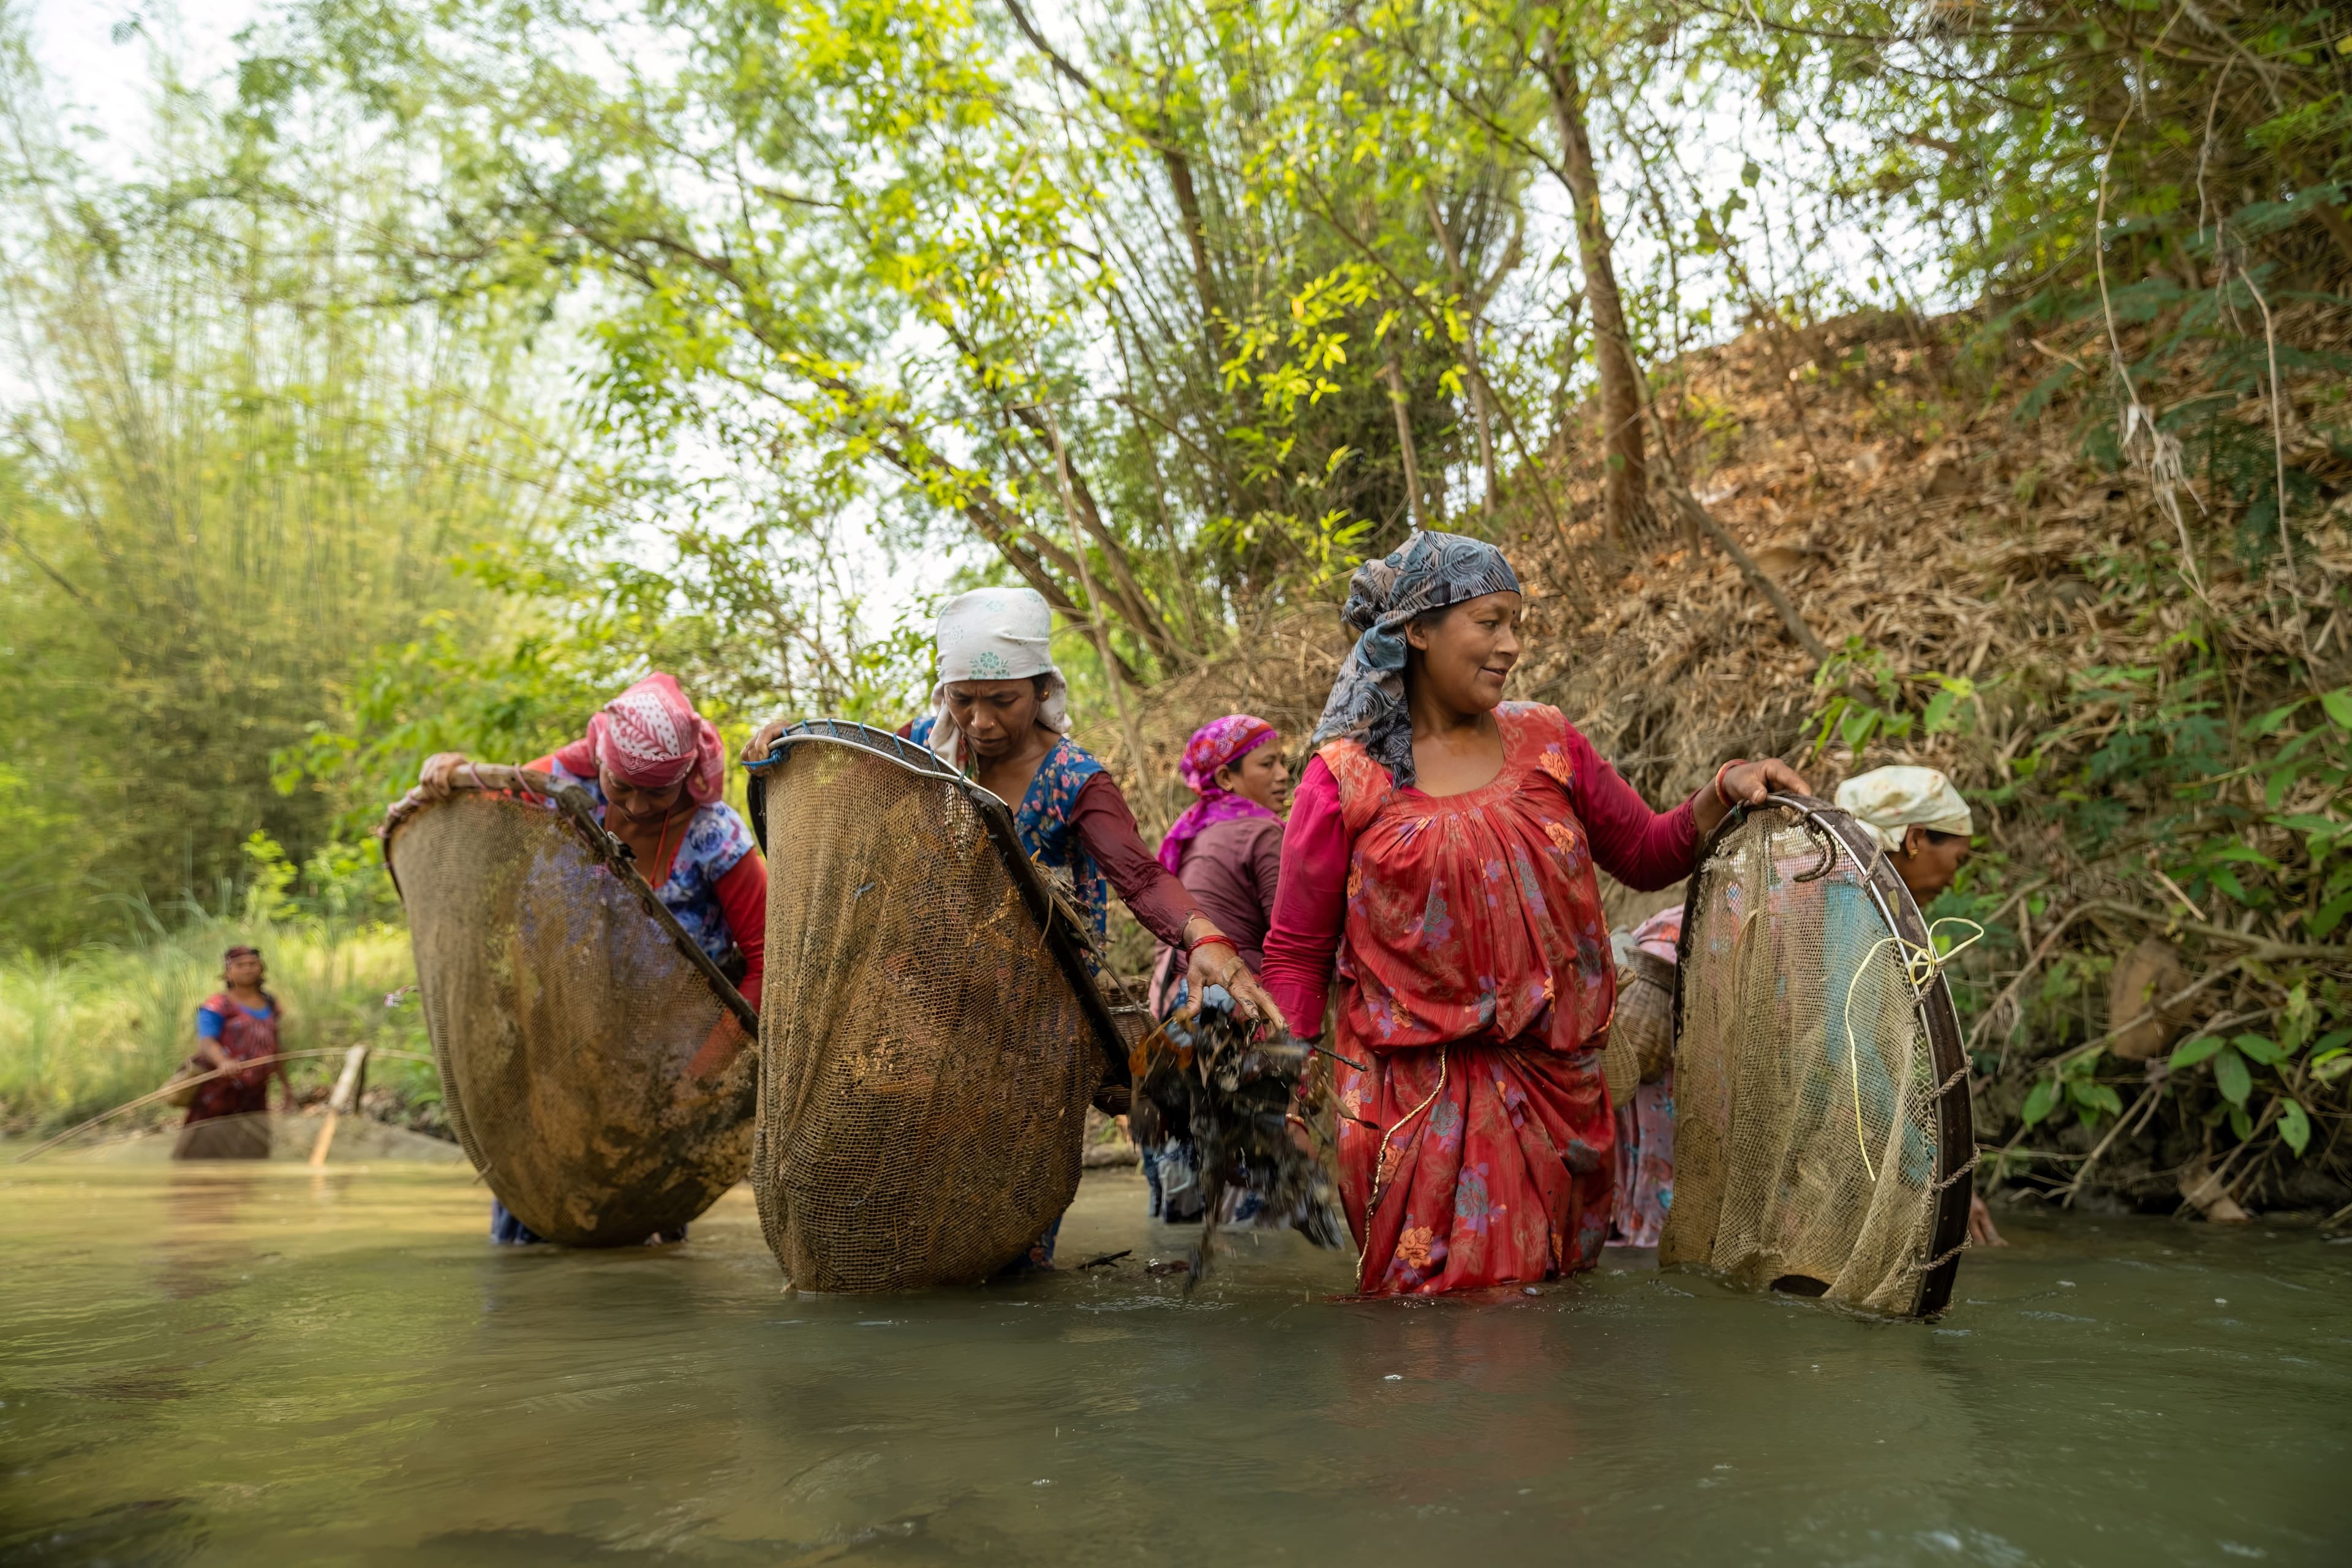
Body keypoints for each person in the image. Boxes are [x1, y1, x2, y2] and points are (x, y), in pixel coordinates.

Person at [1259, 531, 1807, 1296]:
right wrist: (1280, 1087)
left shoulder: (1548, 741)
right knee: (1444, 1344)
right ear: (1417, 630)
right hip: (1414, 1110)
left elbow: (1647, 852)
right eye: (1489, 622)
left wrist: (1723, 788)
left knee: (1547, 1328)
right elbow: (1296, 951)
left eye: (1516, 622)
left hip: (1560, 1097)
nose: (1510, 644)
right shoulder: (1344, 779)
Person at [745, 587, 1281, 1264]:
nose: (981, 720)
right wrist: (782, 745)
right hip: (928, 1015)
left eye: (1003, 700)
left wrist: (1205, 939)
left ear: (1041, 688)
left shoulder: (1075, 779)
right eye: (963, 699)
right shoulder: (919, 755)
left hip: (1032, 1031)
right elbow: (848, 819)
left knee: (1008, 1227)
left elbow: (1141, 878)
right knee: (904, 1202)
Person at [419, 671, 766, 1245]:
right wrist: (452, 769)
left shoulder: (714, 836)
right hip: (555, 1045)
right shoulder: (555, 788)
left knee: (646, 1224)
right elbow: (476, 820)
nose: (633, 805)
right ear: (600, 762)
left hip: (667, 1063)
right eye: (619, 785)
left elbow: (763, 961)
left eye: (656, 792)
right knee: (531, 1221)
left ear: (685, 778)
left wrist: (700, 1074)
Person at [1836, 763, 2004, 1246]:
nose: (1956, 878)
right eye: (1959, 858)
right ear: (1912, 839)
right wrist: (1932, 1171)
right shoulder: (1849, 897)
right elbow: (1842, 1048)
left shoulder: (1846, 880)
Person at [1138, 714, 1289, 1220]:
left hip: (1166, 1022)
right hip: (1225, 1015)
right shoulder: (1265, 833)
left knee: (1182, 1208)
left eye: (1285, 762)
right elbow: (1291, 938)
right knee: (1252, 1198)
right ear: (1226, 778)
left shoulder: (1191, 837)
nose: (1284, 774)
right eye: (1268, 763)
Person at [176, 944, 295, 1159]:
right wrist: (224, 1061)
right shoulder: (217, 1005)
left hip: (256, 1092)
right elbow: (207, 1041)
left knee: (253, 1152)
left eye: (253, 964)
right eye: (241, 965)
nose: (248, 969)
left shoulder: (270, 1003)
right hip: (220, 1090)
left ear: (261, 968)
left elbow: (276, 1048)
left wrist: (286, 1086)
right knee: (202, 1152)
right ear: (228, 972)